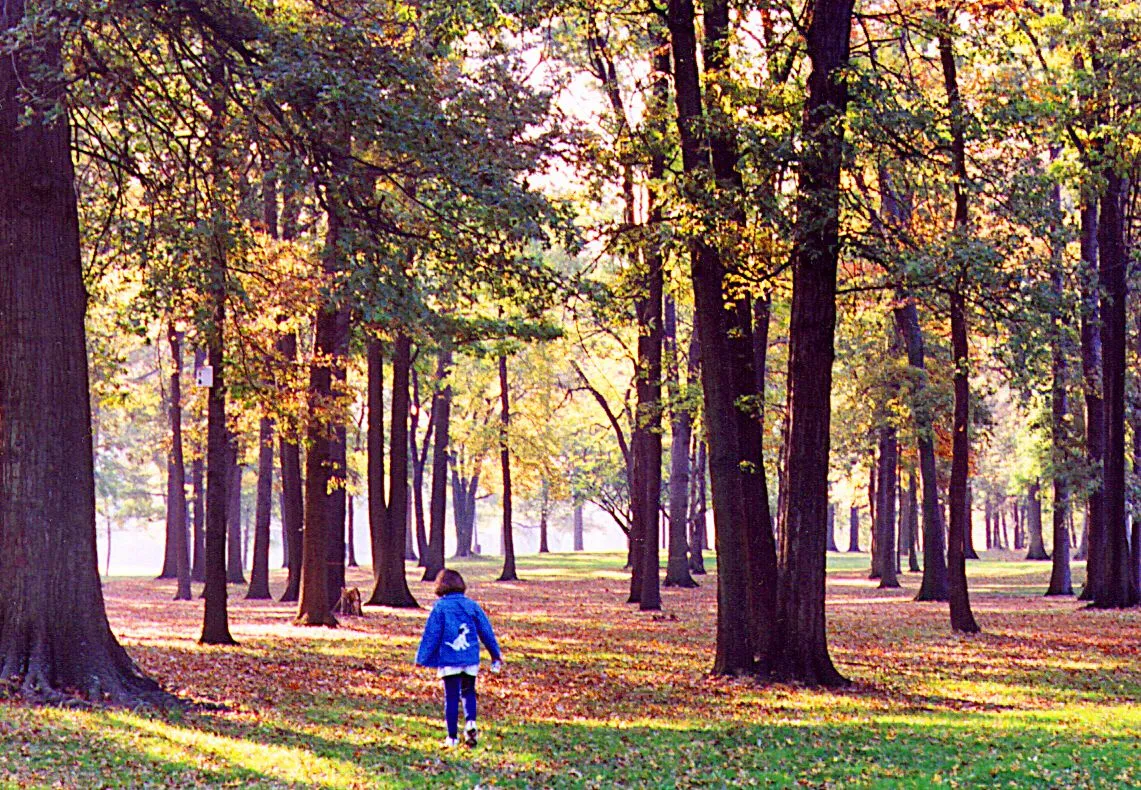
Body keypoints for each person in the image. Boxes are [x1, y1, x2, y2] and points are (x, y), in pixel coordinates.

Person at [415, 569, 503, 747]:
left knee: (451, 697)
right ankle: (470, 722)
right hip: (470, 658)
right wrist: (495, 655)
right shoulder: (471, 605)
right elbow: (486, 631)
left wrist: (421, 658)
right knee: (469, 691)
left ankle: (452, 738)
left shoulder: (440, 608)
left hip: (449, 659)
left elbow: (431, 634)